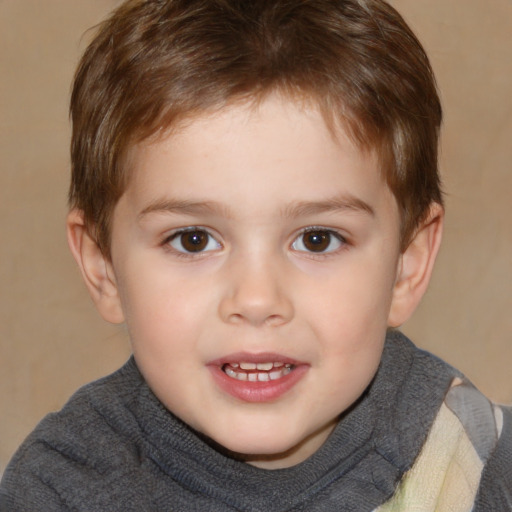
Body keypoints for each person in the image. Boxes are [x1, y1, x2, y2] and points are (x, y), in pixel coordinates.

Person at [1, 0, 510, 510]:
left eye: (317, 239)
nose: (257, 299)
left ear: (407, 264)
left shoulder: (475, 463)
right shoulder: (60, 489)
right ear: (103, 268)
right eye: (193, 240)